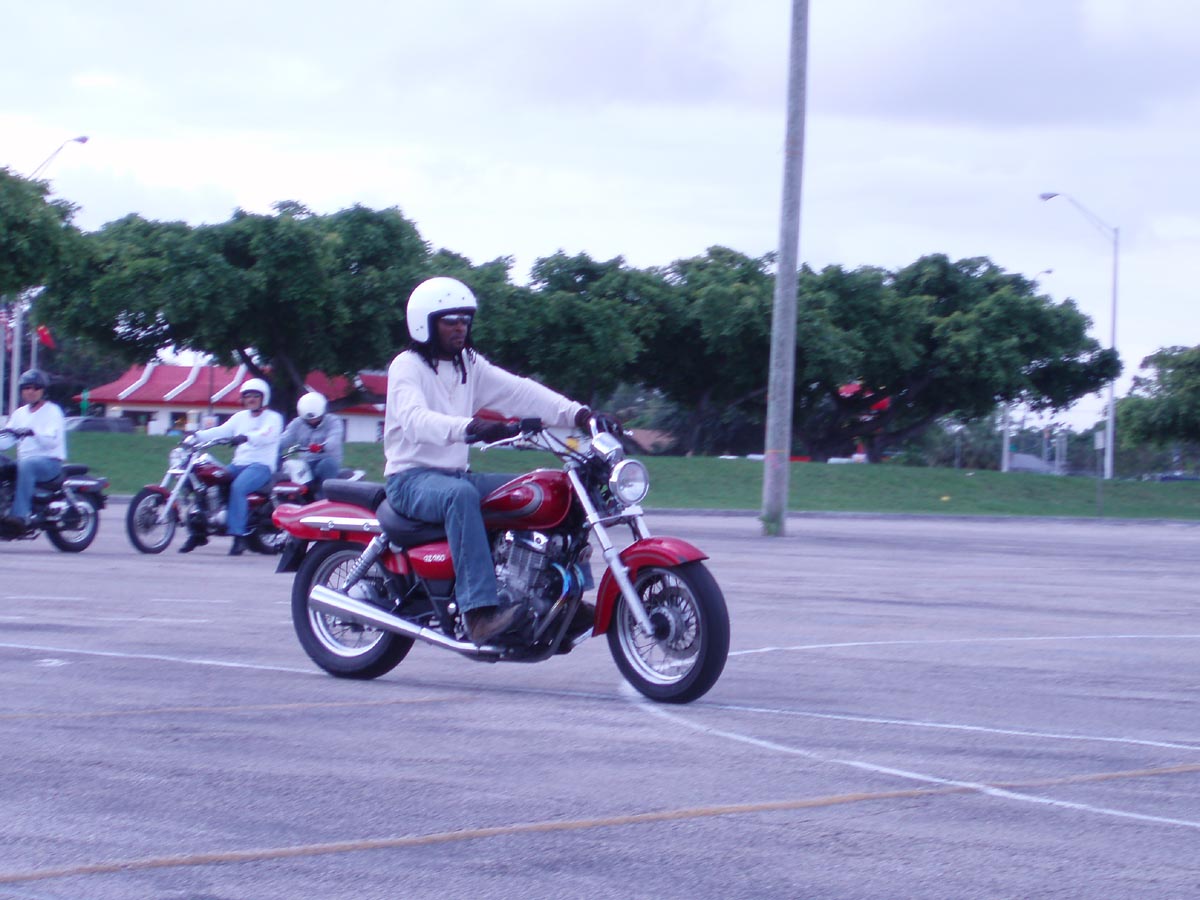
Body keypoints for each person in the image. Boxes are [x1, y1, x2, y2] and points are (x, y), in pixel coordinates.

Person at [384, 276, 618, 645]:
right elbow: (415, 420)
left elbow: (519, 391)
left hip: (456, 474)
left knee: (550, 490)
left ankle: (566, 600)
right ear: (424, 323)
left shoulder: (468, 364)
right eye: (450, 320)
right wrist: (472, 428)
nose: (460, 327)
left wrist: (580, 414)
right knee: (459, 496)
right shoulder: (407, 366)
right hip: (410, 479)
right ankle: (478, 613)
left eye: (465, 320)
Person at [180, 377, 283, 555]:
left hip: (261, 466)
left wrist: (246, 437)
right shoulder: (240, 417)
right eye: (247, 396)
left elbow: (266, 434)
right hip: (238, 464)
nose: (251, 399)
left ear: (263, 398)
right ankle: (198, 532)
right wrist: (197, 436)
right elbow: (221, 430)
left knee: (238, 487)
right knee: (207, 481)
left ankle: (238, 537)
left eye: (255, 396)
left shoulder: (273, 418)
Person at [0, 369, 66, 531]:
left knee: (27, 464)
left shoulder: (53, 411)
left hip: (50, 462)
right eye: (27, 387)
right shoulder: (19, 414)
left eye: (36, 388)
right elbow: (8, 438)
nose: (31, 391)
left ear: (43, 390)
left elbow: (52, 442)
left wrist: (33, 432)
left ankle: (20, 516)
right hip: (25, 462)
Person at [280, 392, 344, 499]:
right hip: (306, 463)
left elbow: (334, 439)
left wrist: (322, 447)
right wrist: (273, 446)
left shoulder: (333, 421)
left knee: (327, 464)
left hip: (326, 459)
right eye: (308, 420)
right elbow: (285, 438)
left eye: (317, 418)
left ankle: (325, 499)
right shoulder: (297, 423)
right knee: (290, 468)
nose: (312, 421)